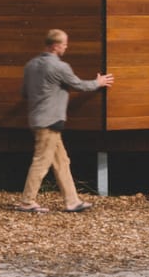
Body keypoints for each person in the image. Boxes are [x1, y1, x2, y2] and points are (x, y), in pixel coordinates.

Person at [16, 29, 114, 213]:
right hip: (50, 120)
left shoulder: (31, 65)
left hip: (37, 119)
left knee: (62, 161)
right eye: (64, 44)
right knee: (41, 161)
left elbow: (24, 92)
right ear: (55, 46)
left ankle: (72, 201)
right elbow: (79, 85)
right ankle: (27, 201)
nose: (66, 47)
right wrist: (98, 83)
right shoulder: (58, 67)